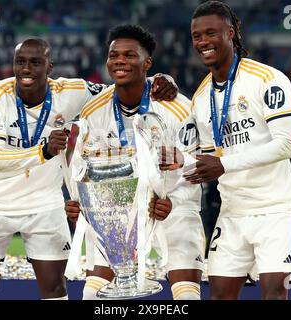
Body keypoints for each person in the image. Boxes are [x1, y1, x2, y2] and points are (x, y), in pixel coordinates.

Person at [0, 37, 177, 300]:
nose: (26, 69)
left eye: (35, 62)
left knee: (55, 290)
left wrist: (160, 80)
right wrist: (42, 151)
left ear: (50, 67)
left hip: (45, 204)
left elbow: (118, 88)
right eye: (20, 62)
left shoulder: (72, 91)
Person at [66, 24, 205, 300]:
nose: (119, 60)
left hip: (171, 207)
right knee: (93, 296)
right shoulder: (93, 108)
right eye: (114, 55)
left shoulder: (178, 105)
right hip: (116, 211)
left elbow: (197, 163)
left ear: (147, 63)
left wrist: (173, 201)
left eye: (130, 55)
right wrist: (81, 202)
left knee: (186, 294)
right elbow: (82, 165)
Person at [185, 1, 291, 300]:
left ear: (231, 32)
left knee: (274, 293)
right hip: (232, 211)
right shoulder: (201, 97)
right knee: (218, 296)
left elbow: (287, 144)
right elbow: (210, 158)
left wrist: (224, 165)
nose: (202, 42)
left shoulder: (268, 79)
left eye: (210, 33)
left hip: (275, 208)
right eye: (197, 36)